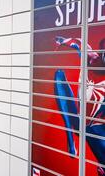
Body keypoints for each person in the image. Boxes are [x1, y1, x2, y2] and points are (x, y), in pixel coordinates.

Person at [54, 36, 105, 175]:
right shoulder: (94, 58)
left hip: (92, 126)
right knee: (59, 76)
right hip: (88, 124)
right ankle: (71, 139)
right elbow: (81, 44)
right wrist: (65, 41)